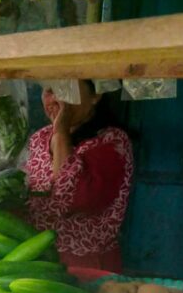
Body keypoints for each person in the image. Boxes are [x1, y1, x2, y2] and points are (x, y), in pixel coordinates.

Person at [24, 79, 134, 271]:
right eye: (49, 90)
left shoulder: (113, 142)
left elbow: (69, 198)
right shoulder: (39, 139)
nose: (56, 99)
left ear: (96, 95)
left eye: (65, 89)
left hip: (86, 266)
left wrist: (60, 133)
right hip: (35, 260)